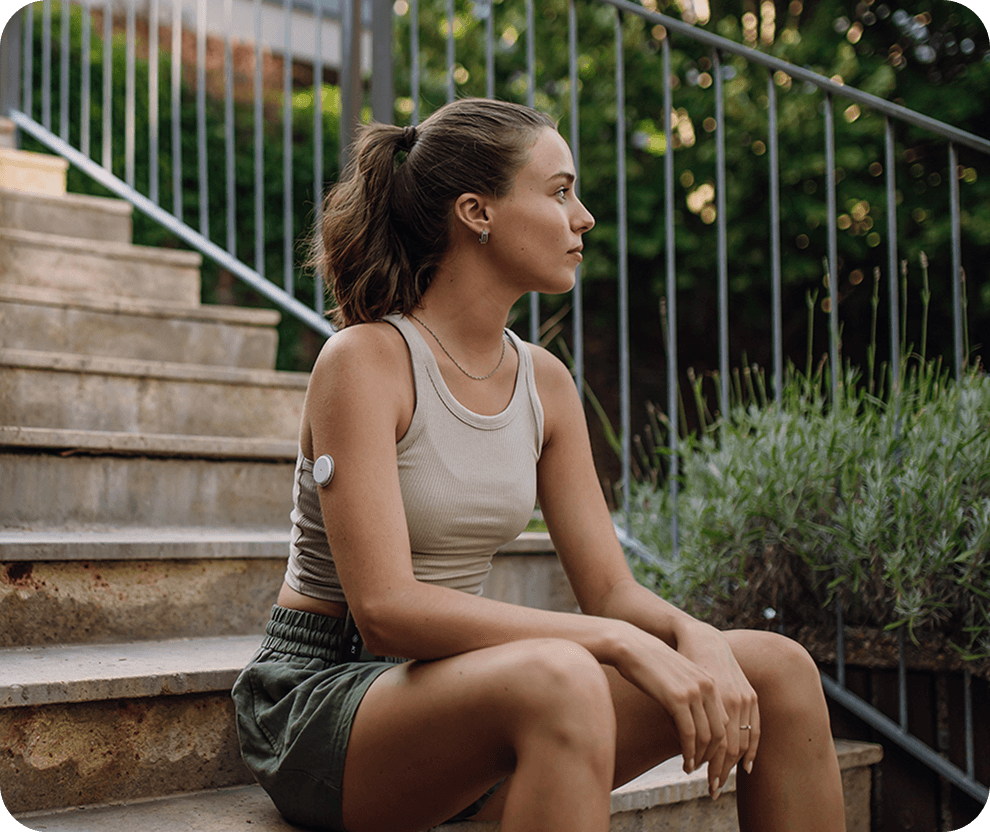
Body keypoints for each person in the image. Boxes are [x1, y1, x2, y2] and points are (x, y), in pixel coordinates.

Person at [231, 97, 846, 832]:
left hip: (461, 690)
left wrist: (695, 634)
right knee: (563, 677)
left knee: (777, 668)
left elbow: (611, 588)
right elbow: (387, 609)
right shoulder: (365, 361)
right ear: (476, 212)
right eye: (559, 192)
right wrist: (616, 643)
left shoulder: (545, 381)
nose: (583, 217)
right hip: (325, 695)